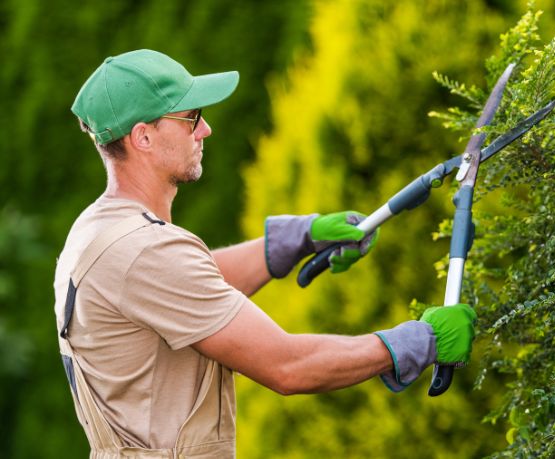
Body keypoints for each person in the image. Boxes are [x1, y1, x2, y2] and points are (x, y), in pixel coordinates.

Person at [54, 49, 476, 457]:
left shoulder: (100, 231)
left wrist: (297, 239)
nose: (205, 130)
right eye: (190, 118)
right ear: (143, 136)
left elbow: (190, 286)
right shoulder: (144, 251)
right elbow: (288, 366)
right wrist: (419, 341)